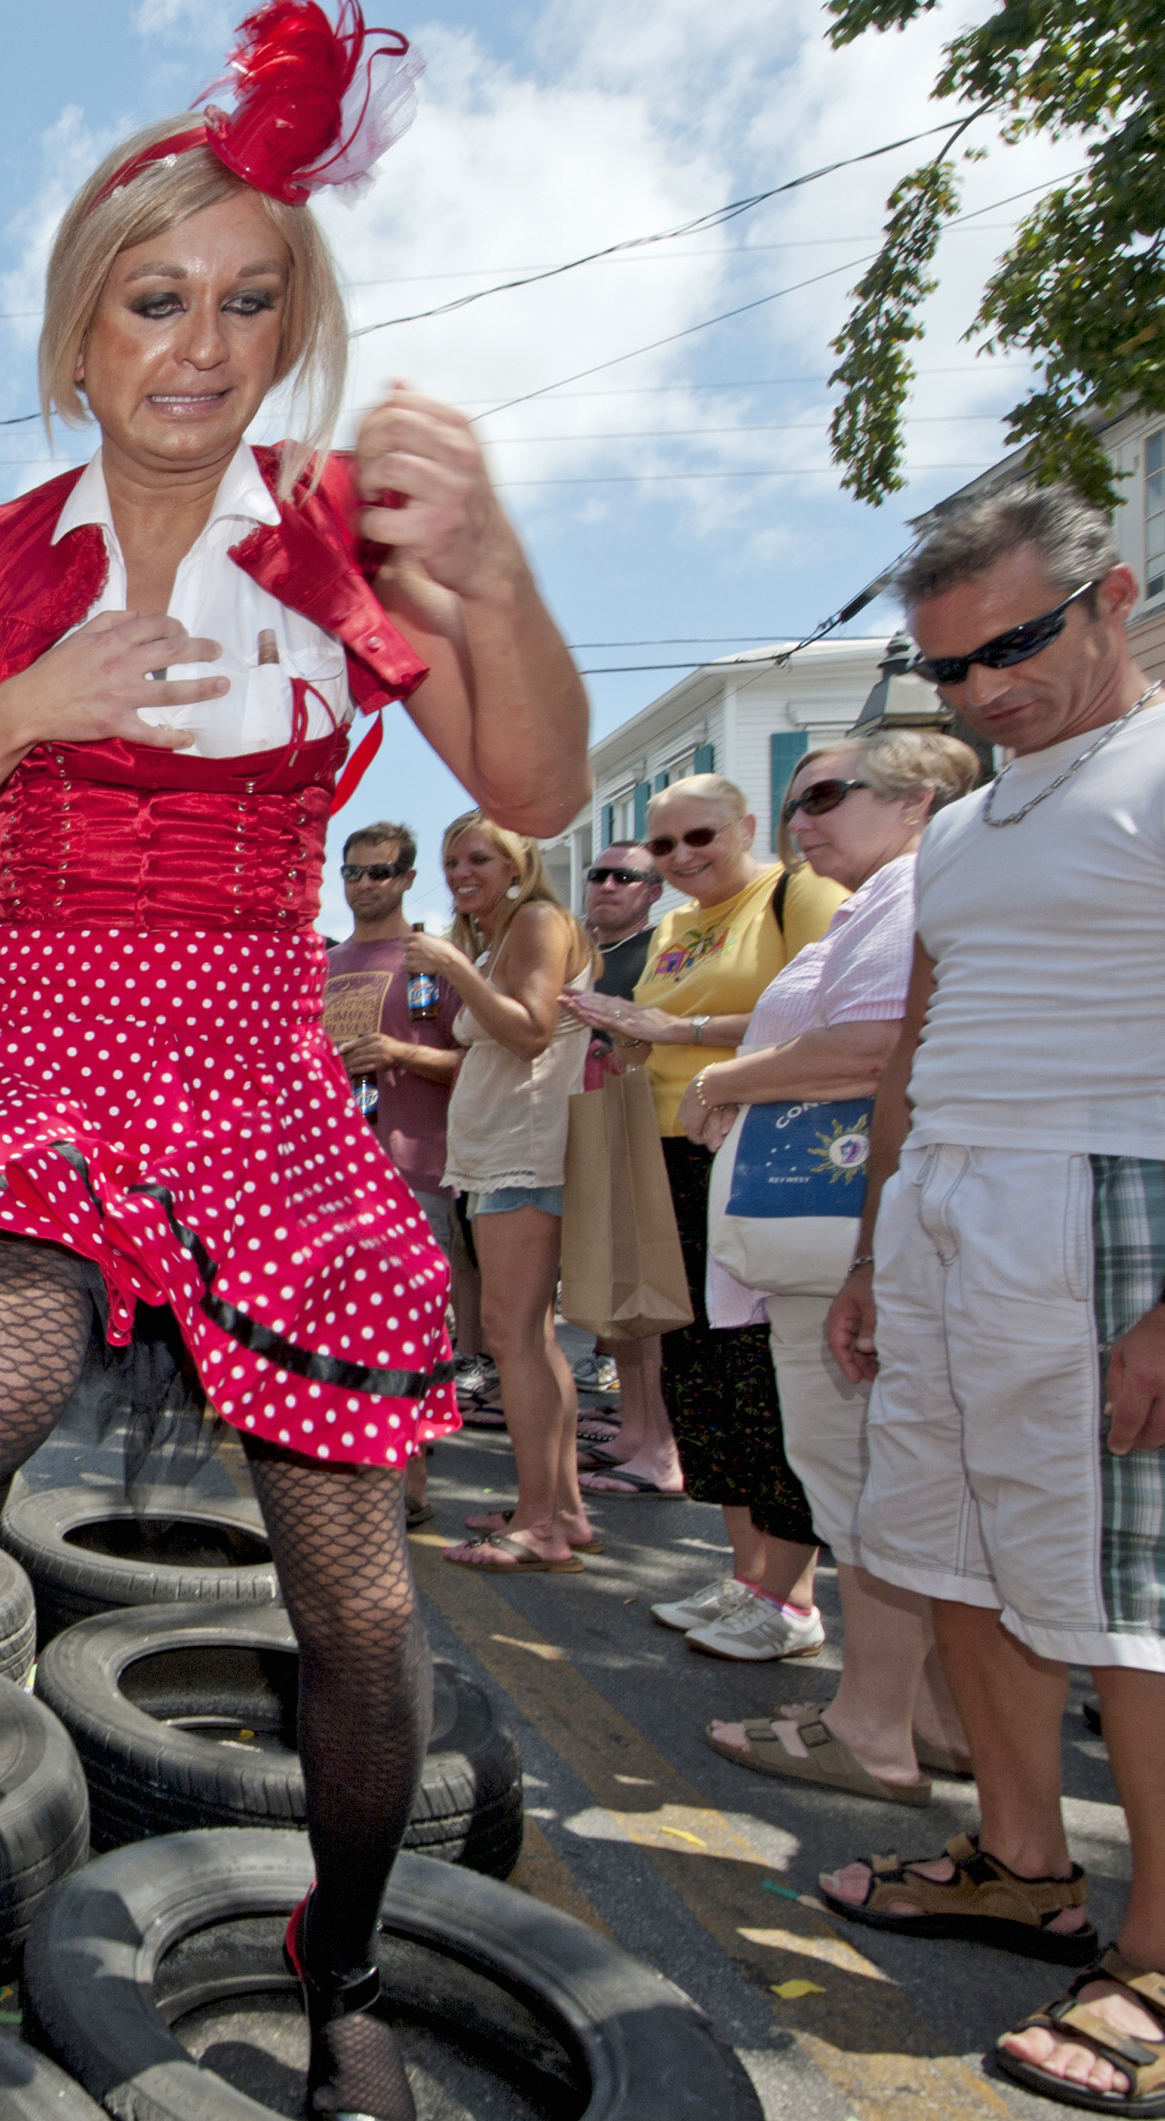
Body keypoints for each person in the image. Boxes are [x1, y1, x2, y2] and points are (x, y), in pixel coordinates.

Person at [0, 24, 589, 2112]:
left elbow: (538, 776)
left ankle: (346, 1957)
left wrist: (493, 566)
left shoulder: (337, 533)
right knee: (2, 1350)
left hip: (251, 1047)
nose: (202, 345)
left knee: (361, 1597)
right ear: (79, 327)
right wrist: (33, 697)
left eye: (250, 303)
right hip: (47, 1013)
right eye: (158, 301)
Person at [805, 488, 1165, 2112]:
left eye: (1017, 643)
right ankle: (1026, 1861)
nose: (988, 690)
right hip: (950, 1201)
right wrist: (879, 1248)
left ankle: (1158, 1954)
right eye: (952, 671)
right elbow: (912, 1057)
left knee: (1131, 1603)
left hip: (1107, 1194)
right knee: (954, 1552)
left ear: (1114, 596)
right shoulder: (963, 825)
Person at [685, 731, 975, 1787]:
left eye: (826, 795)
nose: (802, 819)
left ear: (916, 804)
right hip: (809, 1238)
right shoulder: (869, 906)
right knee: (859, 1477)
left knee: (864, 1482)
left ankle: (874, 1726)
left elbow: (869, 1047)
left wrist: (724, 1082)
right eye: (795, 799)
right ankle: (934, 1718)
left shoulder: (907, 894)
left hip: (845, 1232)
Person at [566, 776, 846, 1658]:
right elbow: (662, 1028)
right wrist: (625, 1029)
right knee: (702, 1375)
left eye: (700, 837)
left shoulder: (799, 894)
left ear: (747, 827)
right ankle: (749, 1572)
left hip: (764, 1157)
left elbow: (841, 1015)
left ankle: (794, 1596)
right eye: (664, 845)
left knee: (762, 1373)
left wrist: (676, 1034)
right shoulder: (676, 926)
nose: (682, 857)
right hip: (670, 1158)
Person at [421, 817, 595, 1572]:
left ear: (521, 864)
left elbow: (530, 1029)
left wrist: (453, 968)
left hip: (524, 1154)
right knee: (531, 1334)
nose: (462, 870)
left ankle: (539, 1523)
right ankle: (559, 1506)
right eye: (452, 857)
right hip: (500, 1155)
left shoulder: (535, 920)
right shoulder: (505, 933)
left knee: (510, 1332)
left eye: (480, 857)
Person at [321, 818, 475, 1513]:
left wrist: (400, 1054)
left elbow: (481, 1065)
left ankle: (409, 1477)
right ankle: (346, 1466)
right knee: (333, 1325)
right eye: (353, 872)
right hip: (328, 1172)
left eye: (380, 871)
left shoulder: (432, 960)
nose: (364, 885)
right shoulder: (323, 965)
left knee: (410, 1330)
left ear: (409, 877)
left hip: (413, 1170)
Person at [572, 842, 678, 1490]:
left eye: (627, 877)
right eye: (599, 874)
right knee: (619, 1297)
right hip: (590, 1120)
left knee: (649, 1293)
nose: (608, 885)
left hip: (643, 1118)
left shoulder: (662, 952)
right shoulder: (585, 955)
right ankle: (636, 1431)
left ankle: (661, 1448)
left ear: (652, 892)